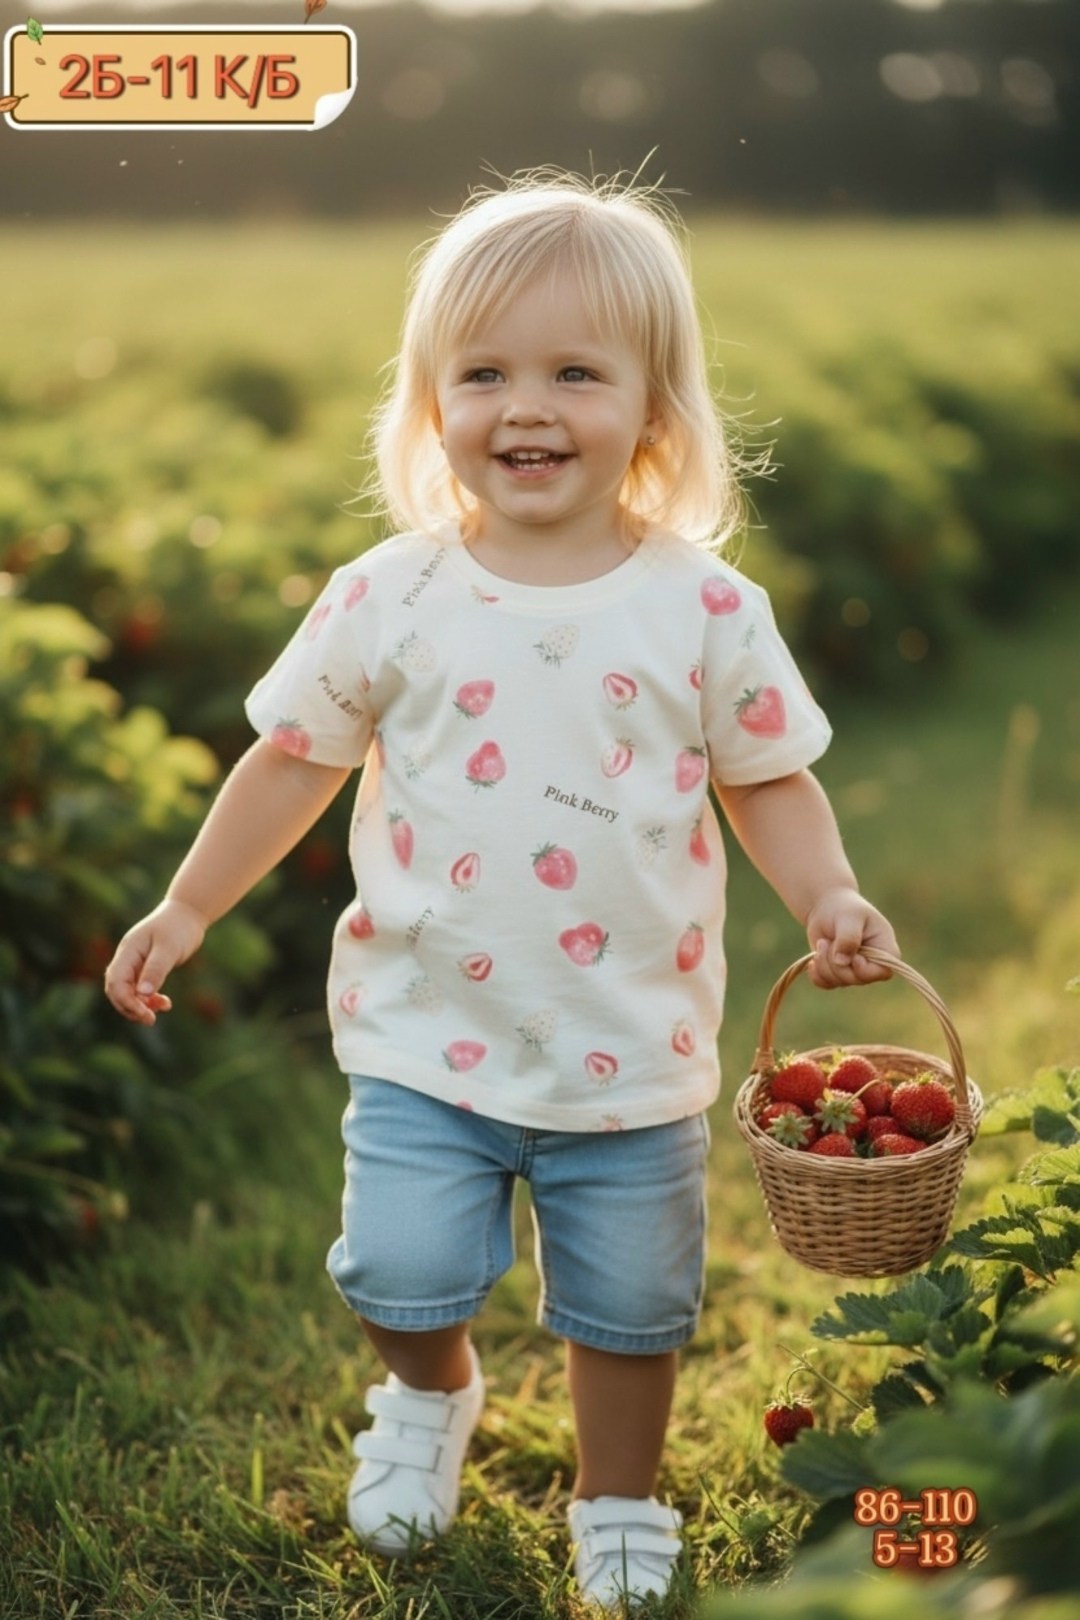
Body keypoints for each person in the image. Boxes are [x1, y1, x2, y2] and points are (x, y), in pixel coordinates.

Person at [105, 170, 899, 1611]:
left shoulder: (703, 608)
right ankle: (428, 1395)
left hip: (631, 1040)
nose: (525, 407)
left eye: (575, 373)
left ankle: (618, 1497)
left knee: (633, 1308)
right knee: (398, 1269)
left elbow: (767, 775)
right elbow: (292, 763)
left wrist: (828, 893)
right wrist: (189, 905)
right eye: (484, 374)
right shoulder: (389, 595)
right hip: (425, 1028)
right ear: (430, 404)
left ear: (655, 408)